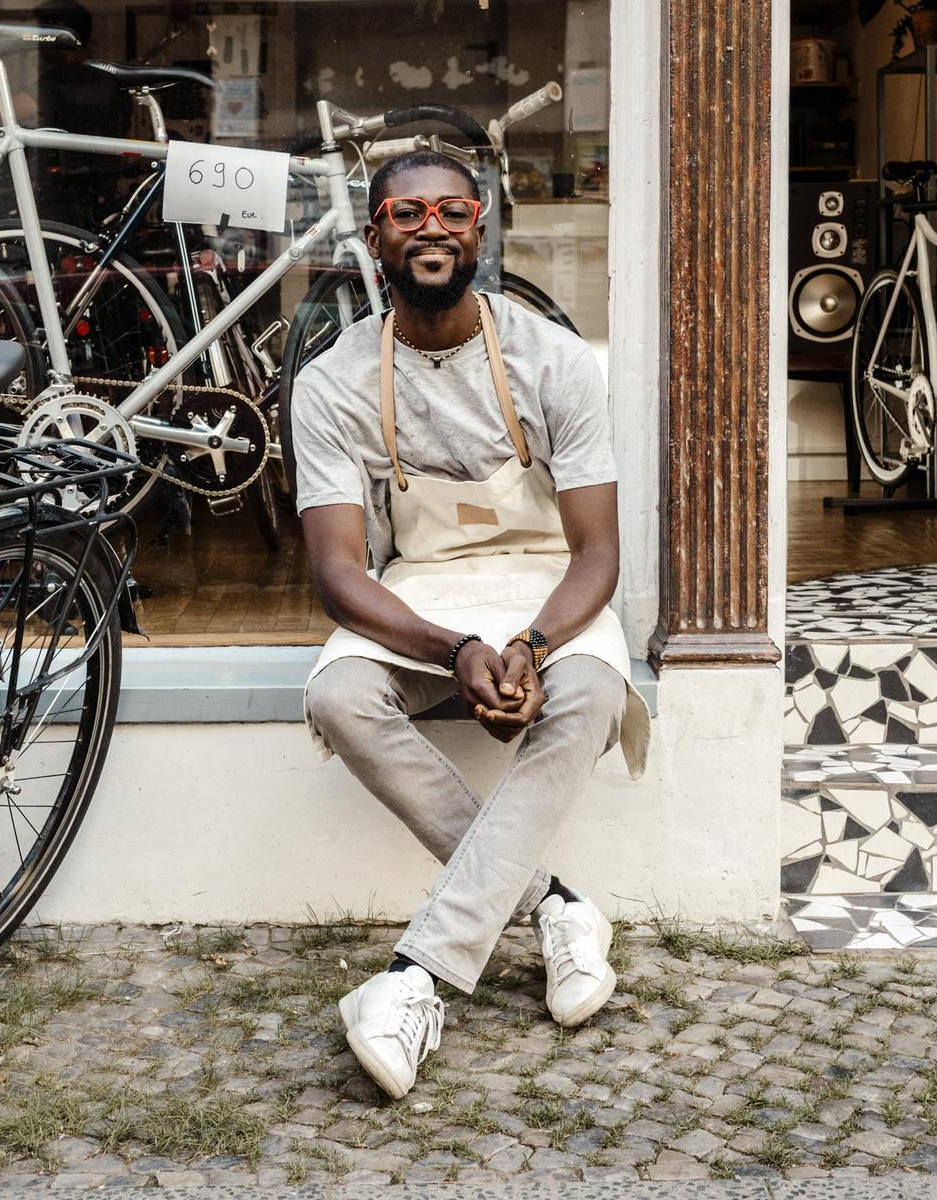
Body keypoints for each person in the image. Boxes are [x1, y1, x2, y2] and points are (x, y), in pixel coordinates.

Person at [295, 150, 649, 1099]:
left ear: (481, 230)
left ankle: (419, 977)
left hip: (544, 593)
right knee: (336, 692)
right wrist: (453, 651)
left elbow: (597, 557)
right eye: (406, 214)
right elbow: (337, 573)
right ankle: (557, 909)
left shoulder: (556, 360)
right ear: (374, 238)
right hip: (424, 599)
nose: (432, 228)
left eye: (453, 211)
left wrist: (531, 646)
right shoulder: (331, 384)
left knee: (591, 689)